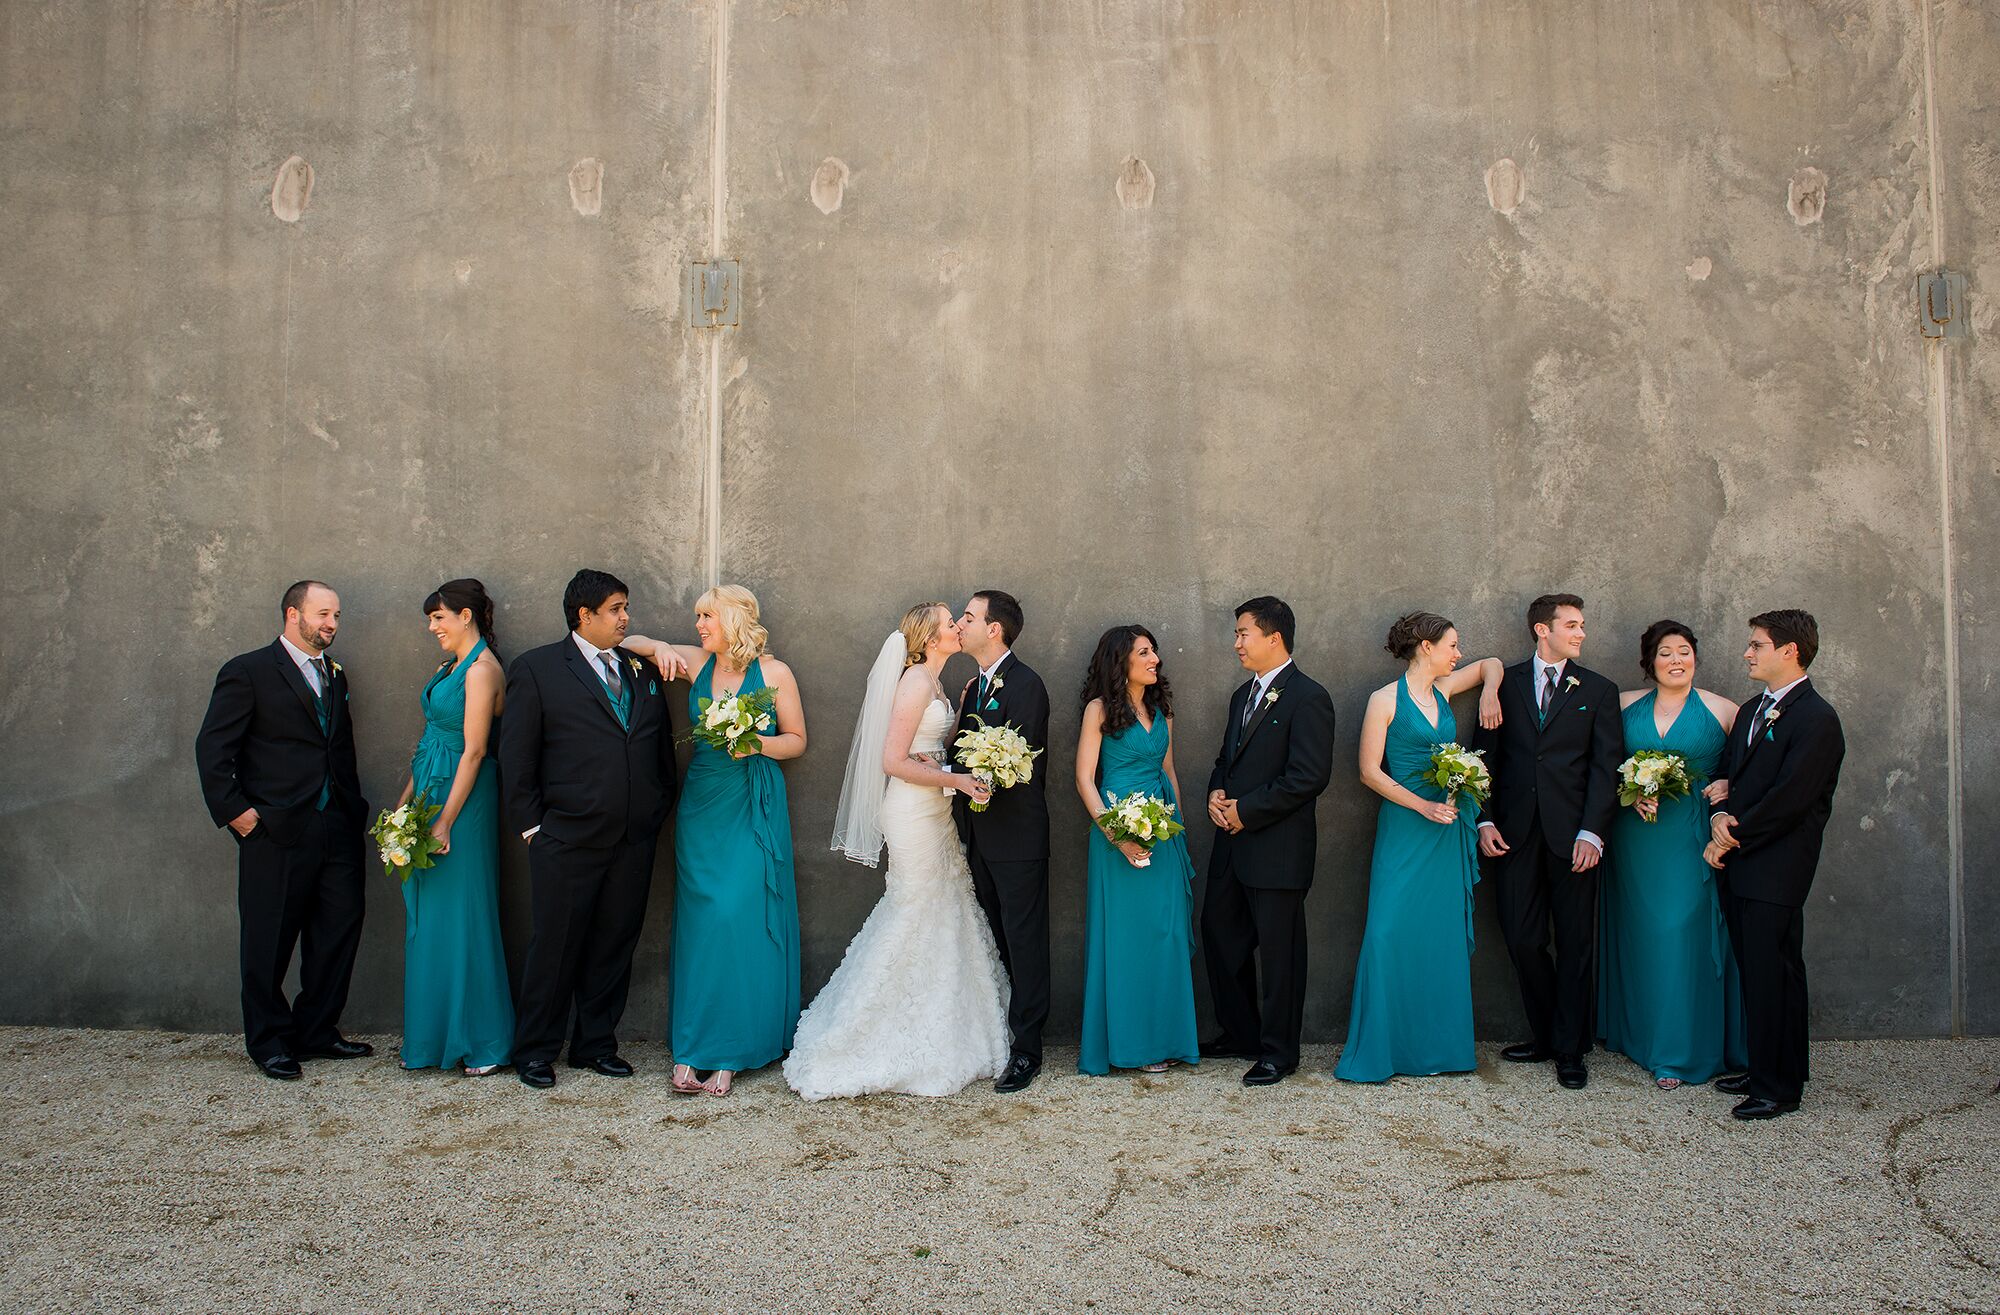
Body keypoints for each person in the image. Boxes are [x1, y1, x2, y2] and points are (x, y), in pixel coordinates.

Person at [785, 604, 1009, 1100]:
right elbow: (891, 759)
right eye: (951, 622)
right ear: (930, 635)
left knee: (941, 906)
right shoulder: (913, 682)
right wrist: (956, 779)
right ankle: (875, 1031)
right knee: (915, 908)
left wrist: (958, 749)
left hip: (934, 809)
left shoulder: (937, 683)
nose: (957, 627)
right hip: (911, 813)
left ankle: (943, 1025)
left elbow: (924, 748)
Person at [499, 569, 680, 1090]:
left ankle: (595, 1044)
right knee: (554, 946)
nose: (626, 618)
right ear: (585, 615)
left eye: (626, 608)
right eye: (617, 609)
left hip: (633, 838)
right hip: (564, 839)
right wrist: (533, 828)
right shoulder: (537, 669)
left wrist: (654, 809)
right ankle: (535, 1050)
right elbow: (516, 756)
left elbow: (657, 745)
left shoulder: (638, 669)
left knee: (614, 943)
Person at [626, 585, 804, 1097]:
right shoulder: (694, 661)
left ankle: (732, 1047)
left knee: (738, 916)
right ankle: (692, 1047)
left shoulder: (774, 673)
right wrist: (657, 648)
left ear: (734, 619)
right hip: (702, 804)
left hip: (752, 802)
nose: (700, 624)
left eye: (708, 616)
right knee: (702, 921)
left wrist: (755, 743)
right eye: (697, 616)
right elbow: (630, 639)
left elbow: (796, 740)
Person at [194, 580, 371, 1080]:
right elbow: (213, 750)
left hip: (335, 825)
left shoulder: (334, 675)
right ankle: (269, 1040)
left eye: (336, 615)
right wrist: (241, 817)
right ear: (293, 614)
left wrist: (349, 808)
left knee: (339, 929)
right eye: (323, 614)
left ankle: (315, 1030)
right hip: (274, 829)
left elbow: (337, 749)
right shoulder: (247, 671)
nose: (332, 624)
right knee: (268, 939)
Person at [1335, 613, 1502, 1083]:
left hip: (1448, 827)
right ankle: (1383, 1049)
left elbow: (1492, 664)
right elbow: (1369, 771)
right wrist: (1422, 807)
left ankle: (1440, 1049)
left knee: (1440, 932)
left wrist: (1489, 691)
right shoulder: (1384, 700)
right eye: (1452, 644)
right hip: (1408, 827)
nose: (1458, 652)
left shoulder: (1446, 690)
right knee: (1388, 930)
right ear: (1426, 647)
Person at [1473, 593, 1626, 1090]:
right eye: (1572, 625)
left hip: (1575, 837)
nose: (1581, 633)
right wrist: (1485, 820)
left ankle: (1570, 1048)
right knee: (1522, 937)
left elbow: (1607, 768)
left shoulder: (1600, 690)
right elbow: (1484, 757)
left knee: (1577, 943)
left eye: (1582, 625)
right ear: (1543, 629)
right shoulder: (1505, 685)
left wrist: (1593, 832)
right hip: (1514, 834)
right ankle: (1545, 1034)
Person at [1705, 610, 1845, 1120]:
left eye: (1757, 645)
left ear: (1789, 651)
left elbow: (1792, 799)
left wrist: (1729, 836)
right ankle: (1768, 1065)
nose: (1748, 652)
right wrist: (1719, 813)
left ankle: (1777, 1086)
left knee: (1775, 973)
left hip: (1777, 867)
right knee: (1756, 969)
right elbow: (1726, 775)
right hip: (1742, 861)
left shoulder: (1817, 718)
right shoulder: (1750, 710)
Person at [1599, 620, 1745, 1090]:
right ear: (1650, 662)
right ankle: (1638, 1035)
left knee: (1680, 930)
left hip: (1691, 835)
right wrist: (1629, 788)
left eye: (1685, 651)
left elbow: (1754, 770)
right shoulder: (1621, 706)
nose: (1677, 660)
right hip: (1635, 835)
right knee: (1639, 931)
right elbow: (1598, 765)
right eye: (1666, 653)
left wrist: (1728, 786)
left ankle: (1679, 1051)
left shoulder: (1725, 711)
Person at [1199, 596, 1336, 1086]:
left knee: (1280, 955)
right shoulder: (1241, 696)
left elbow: (1308, 777)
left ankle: (1280, 1052)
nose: (1236, 642)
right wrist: (1217, 791)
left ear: (1273, 638)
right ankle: (1241, 1034)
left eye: (1243, 633)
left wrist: (1246, 812)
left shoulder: (1309, 696)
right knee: (1219, 935)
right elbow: (1225, 759)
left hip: (1277, 849)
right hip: (1230, 847)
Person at [395, 579, 515, 1077]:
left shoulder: (483, 669)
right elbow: (429, 740)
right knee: (430, 917)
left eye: (438, 617)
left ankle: (482, 1039)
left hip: (462, 801)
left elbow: (475, 750)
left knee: (463, 913)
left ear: (466, 616)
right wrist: (402, 809)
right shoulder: (450, 666)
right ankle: (432, 1036)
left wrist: (445, 819)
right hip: (430, 787)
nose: (433, 627)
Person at [1074, 625, 1200, 1076]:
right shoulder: (1099, 710)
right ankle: (1128, 1044)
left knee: (1163, 936)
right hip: (1115, 832)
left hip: (1163, 832)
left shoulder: (1162, 710)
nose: (1155, 659)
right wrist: (1116, 835)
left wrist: (1178, 829)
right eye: (1144, 652)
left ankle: (1165, 1039)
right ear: (1120, 661)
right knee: (1125, 938)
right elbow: (1085, 779)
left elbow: (1170, 771)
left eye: (1155, 651)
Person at [948, 590, 1053, 1093]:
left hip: (1017, 837)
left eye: (968, 617)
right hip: (979, 835)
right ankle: (1002, 1035)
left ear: (995, 629)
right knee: (997, 939)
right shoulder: (975, 687)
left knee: (1024, 941)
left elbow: (1021, 760)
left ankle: (1028, 1050)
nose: (960, 623)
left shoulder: (1027, 684)